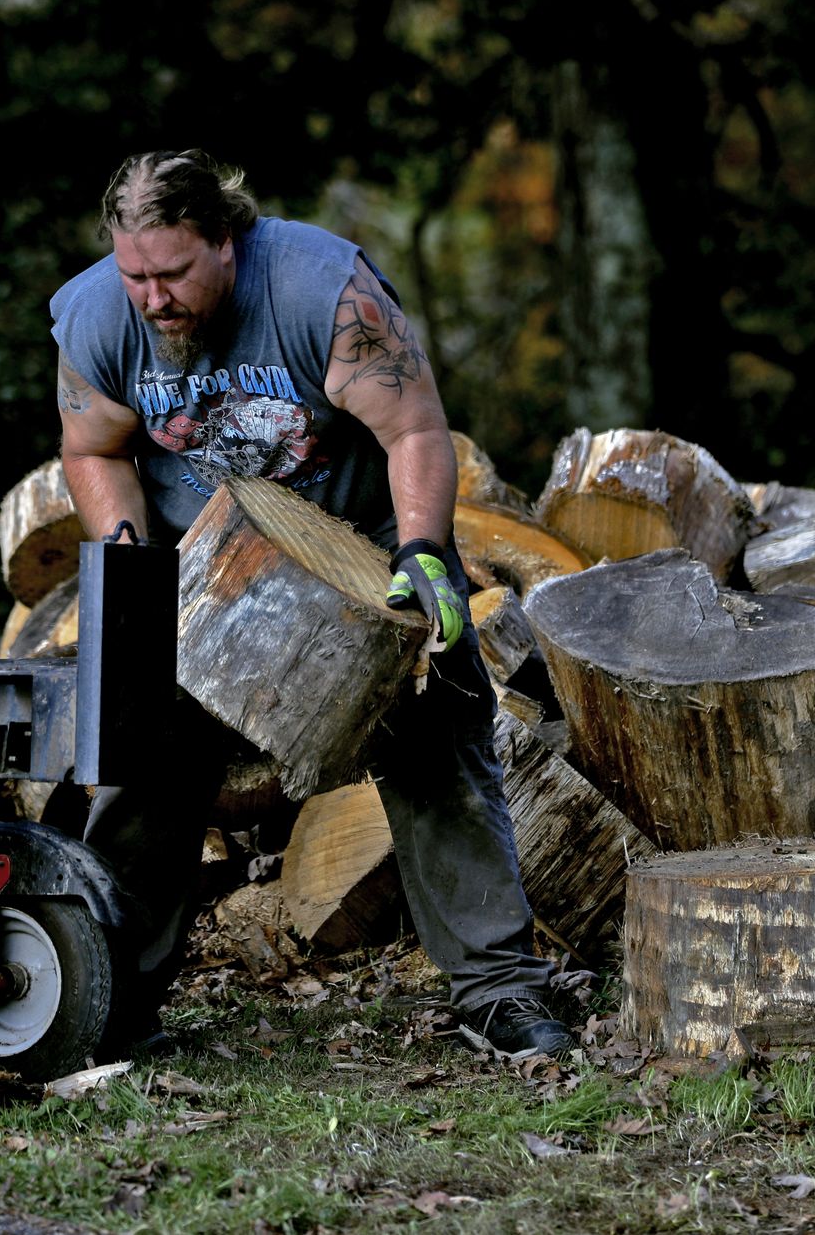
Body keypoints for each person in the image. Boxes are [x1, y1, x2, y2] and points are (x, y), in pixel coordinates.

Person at [49, 149, 575, 1060]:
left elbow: (414, 427)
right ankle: (108, 1000)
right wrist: (130, 553)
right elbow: (92, 449)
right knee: (143, 769)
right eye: (136, 275)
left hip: (365, 555)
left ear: (225, 239)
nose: (153, 298)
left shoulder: (324, 291)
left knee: (439, 743)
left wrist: (421, 549)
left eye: (173, 273)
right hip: (204, 570)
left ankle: (499, 991)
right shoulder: (99, 315)